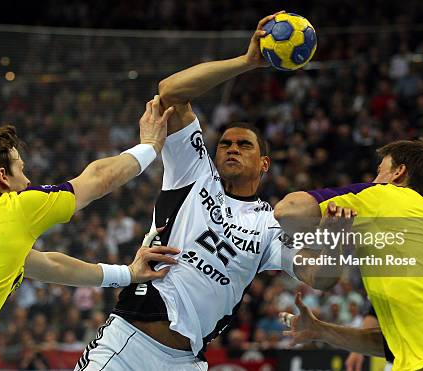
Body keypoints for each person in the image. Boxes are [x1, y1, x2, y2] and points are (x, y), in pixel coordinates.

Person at [76, 12, 333, 371]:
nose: (231, 148)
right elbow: (170, 92)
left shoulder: (269, 226)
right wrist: (245, 62)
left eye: (244, 145)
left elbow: (321, 277)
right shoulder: (195, 173)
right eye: (225, 143)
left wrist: (340, 236)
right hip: (128, 346)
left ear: (264, 164)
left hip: (186, 361)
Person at [0, 96, 179, 371]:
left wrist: (126, 274)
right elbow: (97, 179)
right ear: (3, 177)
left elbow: (49, 265)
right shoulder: (15, 205)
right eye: (21, 169)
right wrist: (150, 147)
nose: (29, 180)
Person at [274, 139, 423, 370]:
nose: (375, 180)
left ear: (398, 173)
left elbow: (288, 211)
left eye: (380, 171)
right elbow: (396, 343)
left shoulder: (383, 195)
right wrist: (322, 331)